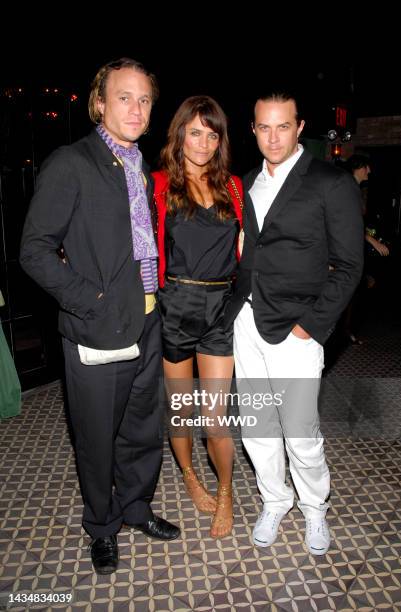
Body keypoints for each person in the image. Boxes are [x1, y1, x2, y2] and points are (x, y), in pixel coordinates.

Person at [20, 58, 180, 575]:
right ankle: (102, 525)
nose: (135, 108)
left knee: (141, 429)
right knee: (95, 437)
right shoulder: (72, 163)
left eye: (145, 99)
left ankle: (136, 508)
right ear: (100, 103)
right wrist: (91, 299)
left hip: (150, 318)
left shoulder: (139, 165)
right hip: (96, 324)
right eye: (124, 97)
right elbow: (35, 250)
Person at [224, 90, 364, 555]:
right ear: (253, 129)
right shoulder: (245, 183)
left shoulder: (330, 181)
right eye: (264, 127)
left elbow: (349, 266)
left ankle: (314, 508)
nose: (274, 136)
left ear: (300, 126)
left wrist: (311, 325)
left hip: (296, 327)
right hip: (247, 321)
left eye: (283, 126)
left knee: (300, 430)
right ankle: (275, 499)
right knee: (257, 425)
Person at [152, 96, 243, 538]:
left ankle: (226, 491)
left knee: (216, 417)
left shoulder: (235, 188)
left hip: (219, 309)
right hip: (176, 306)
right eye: (195, 132)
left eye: (212, 134)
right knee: (180, 407)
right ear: (180, 134)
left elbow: (248, 251)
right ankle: (189, 475)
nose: (204, 142)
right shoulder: (158, 186)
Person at [343, 154, 390, 343]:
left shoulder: (355, 189)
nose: (369, 171)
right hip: (347, 251)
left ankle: (347, 332)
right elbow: (347, 225)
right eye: (367, 167)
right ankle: (345, 333)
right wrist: (373, 241)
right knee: (349, 294)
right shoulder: (348, 189)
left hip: (354, 249)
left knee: (355, 293)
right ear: (360, 168)